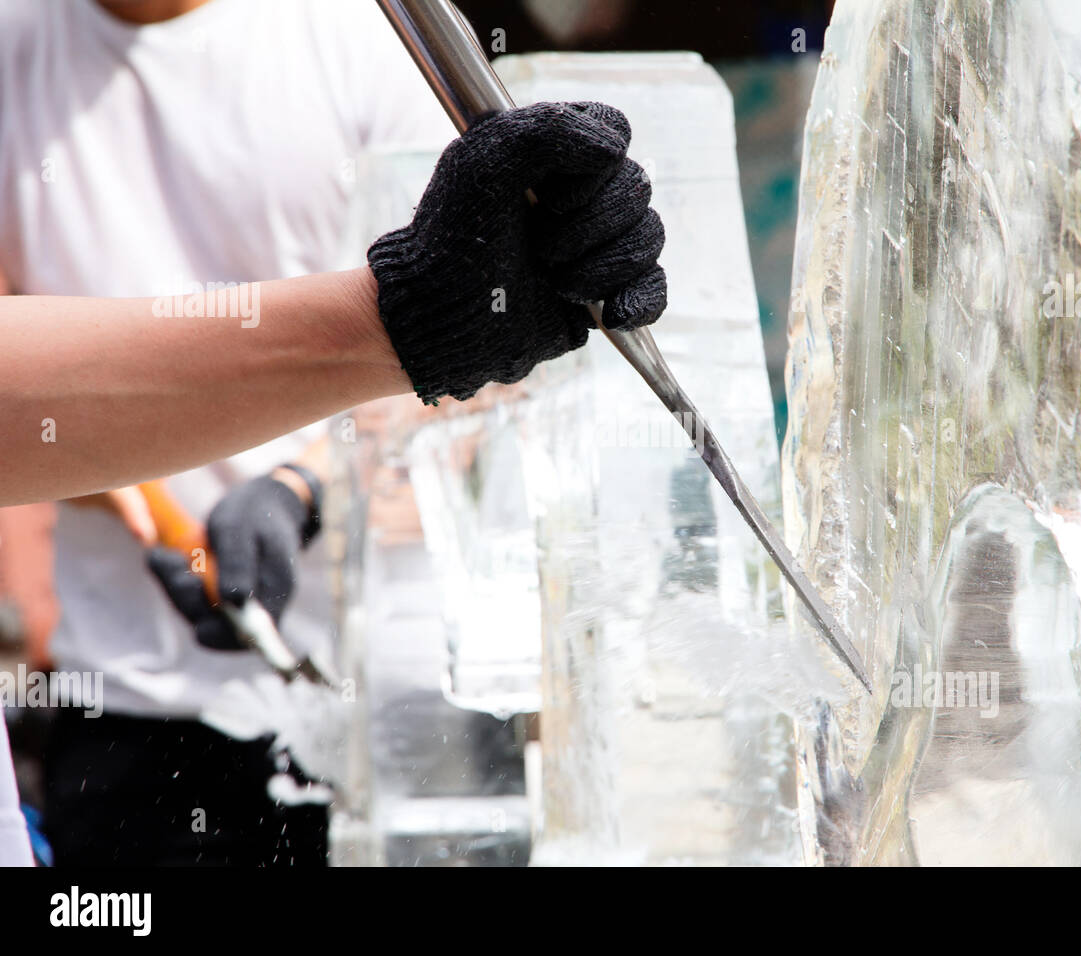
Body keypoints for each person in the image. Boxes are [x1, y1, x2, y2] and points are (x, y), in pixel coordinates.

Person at [0, 0, 664, 866]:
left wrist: (304, 488)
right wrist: (127, 493)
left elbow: (494, 349)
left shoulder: (370, 35)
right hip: (131, 705)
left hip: (394, 712)